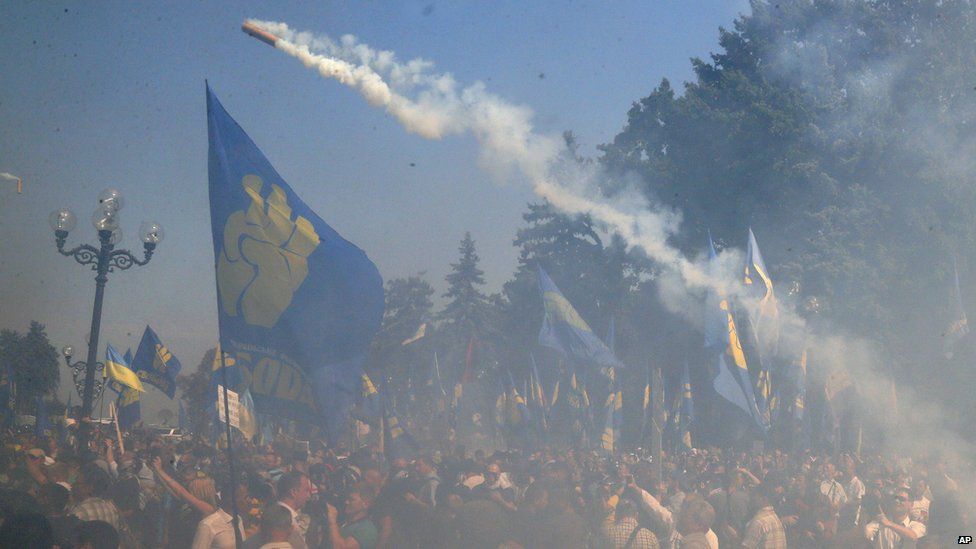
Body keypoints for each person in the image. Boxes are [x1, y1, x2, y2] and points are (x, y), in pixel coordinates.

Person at [190, 477, 249, 549]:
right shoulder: (208, 526)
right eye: (245, 497)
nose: (249, 501)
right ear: (232, 500)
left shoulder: (238, 520)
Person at [276, 471, 312, 549]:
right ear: (293, 492)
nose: (308, 496)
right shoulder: (289, 523)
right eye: (306, 490)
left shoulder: (268, 513)